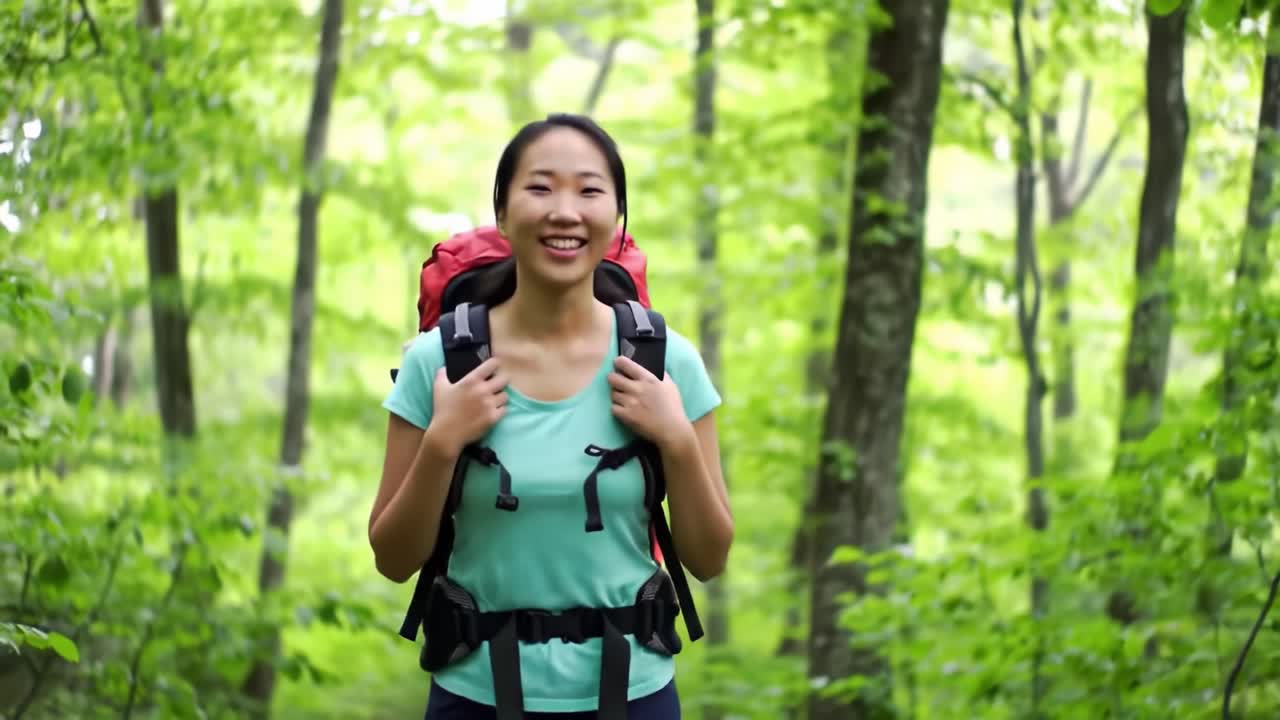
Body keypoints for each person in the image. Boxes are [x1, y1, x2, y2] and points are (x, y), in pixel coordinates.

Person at [368, 113, 733, 719]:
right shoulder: (441, 363)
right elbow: (392, 558)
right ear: (504, 212)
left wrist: (677, 439)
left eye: (590, 191)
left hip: (633, 696)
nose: (565, 211)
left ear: (616, 217)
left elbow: (711, 558)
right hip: (473, 696)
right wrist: (443, 441)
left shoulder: (667, 363)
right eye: (540, 188)